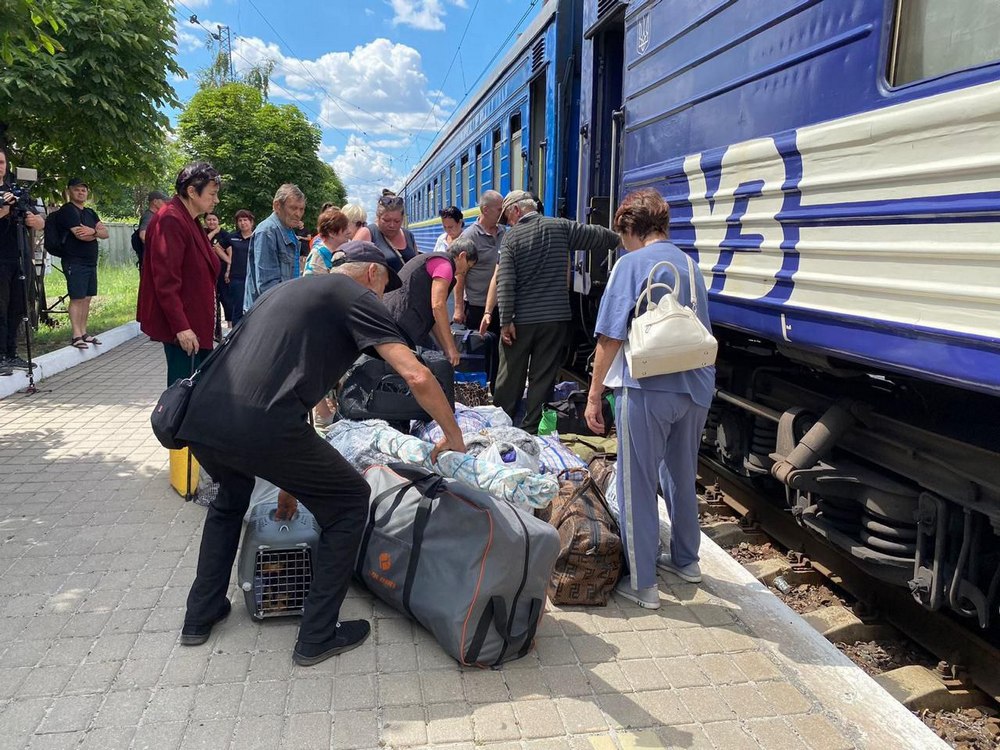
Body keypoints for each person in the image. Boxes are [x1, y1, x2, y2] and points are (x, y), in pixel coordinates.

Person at [175, 241, 467, 666]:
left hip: (204, 414)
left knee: (229, 500)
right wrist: (453, 434)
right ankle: (317, 634)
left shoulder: (290, 290)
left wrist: (292, 483)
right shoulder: (357, 296)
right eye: (386, 285)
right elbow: (416, 373)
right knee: (349, 501)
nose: (384, 298)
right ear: (372, 274)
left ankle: (200, 616)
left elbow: (279, 379)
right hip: (260, 423)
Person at [584, 189, 715, 609]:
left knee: (636, 479)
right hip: (696, 387)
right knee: (680, 473)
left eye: (622, 233)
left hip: (647, 388)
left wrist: (593, 395)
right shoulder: (690, 264)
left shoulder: (630, 263)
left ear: (629, 227)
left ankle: (643, 584)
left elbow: (610, 336)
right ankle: (687, 561)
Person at [491, 190, 620, 433]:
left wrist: (505, 320)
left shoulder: (511, 238)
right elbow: (596, 235)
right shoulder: (560, 227)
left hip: (521, 320)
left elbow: (505, 281)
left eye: (507, 217)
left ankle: (502, 423)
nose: (507, 223)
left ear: (517, 210)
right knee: (543, 375)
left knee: (510, 376)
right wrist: (620, 240)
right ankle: (531, 427)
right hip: (555, 319)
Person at [136, 162, 222, 385]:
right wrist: (182, 328)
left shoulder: (188, 218)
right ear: (192, 191)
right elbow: (165, 281)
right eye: (212, 194)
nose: (216, 200)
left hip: (197, 322)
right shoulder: (171, 219)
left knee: (197, 392)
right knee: (182, 392)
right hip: (185, 329)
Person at [383, 239, 477, 367]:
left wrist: (445, 347)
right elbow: (438, 306)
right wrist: (451, 348)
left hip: (394, 321)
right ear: (462, 256)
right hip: (401, 324)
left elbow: (433, 318)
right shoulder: (445, 265)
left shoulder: (435, 259)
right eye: (468, 267)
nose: (464, 272)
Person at [0, 147, 44, 374]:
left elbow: (39, 221)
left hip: (20, 254)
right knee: (1, 305)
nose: (0, 167)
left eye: (2, 162)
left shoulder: (15, 191)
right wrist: (6, 207)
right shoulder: (6, 198)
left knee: (18, 305)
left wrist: (34, 220)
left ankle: (11, 353)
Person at [51, 177, 109, 349]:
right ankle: (76, 335)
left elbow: (105, 232)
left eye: (84, 190)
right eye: (77, 189)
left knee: (87, 297)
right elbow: (80, 235)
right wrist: (95, 233)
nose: (81, 192)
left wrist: (93, 231)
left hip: (90, 261)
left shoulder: (90, 213)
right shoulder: (68, 211)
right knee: (77, 297)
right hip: (74, 260)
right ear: (69, 191)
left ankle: (84, 332)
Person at [243, 183, 307, 311]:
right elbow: (267, 286)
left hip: (280, 309)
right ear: (277, 205)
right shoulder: (267, 231)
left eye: (302, 209)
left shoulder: (289, 230)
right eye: (293, 208)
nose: (298, 214)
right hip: (267, 314)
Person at [456, 190, 503, 334]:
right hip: (477, 306)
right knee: (479, 350)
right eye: (500, 209)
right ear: (485, 210)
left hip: (501, 306)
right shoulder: (469, 236)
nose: (503, 213)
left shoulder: (504, 232)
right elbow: (460, 274)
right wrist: (458, 308)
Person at [353, 194, 417, 273]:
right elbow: (352, 269)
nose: (392, 225)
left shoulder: (409, 235)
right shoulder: (367, 233)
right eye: (386, 220)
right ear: (378, 217)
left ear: (402, 218)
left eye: (397, 221)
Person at [223, 210, 254, 327]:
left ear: (251, 222)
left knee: (253, 308)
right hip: (237, 278)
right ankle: (236, 336)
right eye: (240, 220)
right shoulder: (232, 237)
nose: (243, 223)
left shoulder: (257, 236)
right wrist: (228, 260)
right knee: (238, 308)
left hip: (253, 278)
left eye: (245, 220)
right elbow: (217, 247)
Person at [205, 212, 231, 337]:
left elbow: (231, 253)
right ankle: (215, 331)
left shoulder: (225, 234)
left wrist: (228, 270)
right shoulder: (202, 232)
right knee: (211, 300)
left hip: (222, 270)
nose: (211, 222)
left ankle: (230, 328)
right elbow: (204, 243)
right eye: (209, 220)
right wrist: (214, 233)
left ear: (218, 221)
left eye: (214, 219)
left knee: (226, 299)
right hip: (207, 272)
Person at [305, 207, 353, 275]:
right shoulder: (317, 256)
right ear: (331, 233)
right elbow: (310, 284)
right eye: (345, 228)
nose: (349, 231)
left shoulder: (342, 253)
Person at [135, 190, 168, 270]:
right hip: (150, 261)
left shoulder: (155, 216)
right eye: (163, 201)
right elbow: (143, 235)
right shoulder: (149, 216)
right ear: (155, 201)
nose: (165, 203)